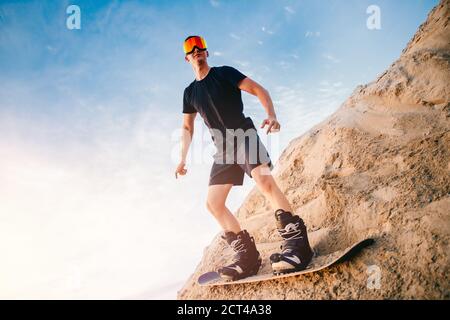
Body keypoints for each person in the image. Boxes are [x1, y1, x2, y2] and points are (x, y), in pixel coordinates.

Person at [175, 35, 313, 280]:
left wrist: (271, 114)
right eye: (190, 48)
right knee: (213, 204)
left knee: (263, 180)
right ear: (186, 57)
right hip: (223, 150)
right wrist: (182, 158)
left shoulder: (224, 73)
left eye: (199, 46)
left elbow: (258, 89)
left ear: (206, 52)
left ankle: (297, 245)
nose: (196, 50)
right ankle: (248, 257)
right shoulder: (190, 93)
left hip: (244, 134)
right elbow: (187, 128)